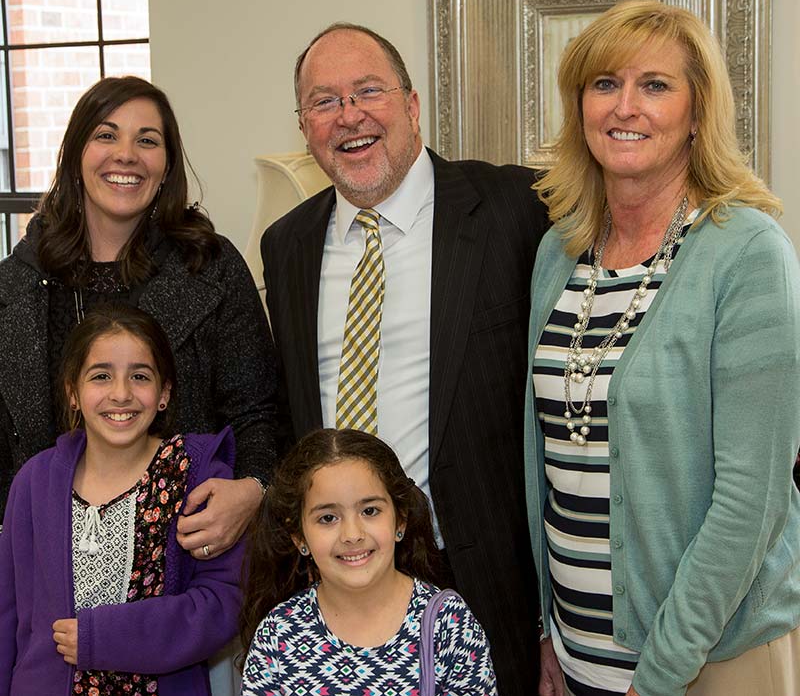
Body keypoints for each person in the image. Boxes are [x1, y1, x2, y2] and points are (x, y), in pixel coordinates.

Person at [261, 23, 548, 695]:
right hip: (341, 582)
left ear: (412, 106)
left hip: (483, 581)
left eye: (368, 91)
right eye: (324, 102)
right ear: (305, 126)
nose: (349, 115)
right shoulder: (287, 245)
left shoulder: (516, 209)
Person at [525, 0, 800, 696]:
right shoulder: (559, 254)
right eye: (604, 83)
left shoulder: (747, 252)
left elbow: (750, 498)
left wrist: (661, 673)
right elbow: (545, 458)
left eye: (655, 84)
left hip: (708, 659)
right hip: (579, 654)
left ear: (698, 112)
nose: (626, 106)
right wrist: (547, 630)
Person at [0, 76, 276, 560]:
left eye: (147, 140)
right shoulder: (15, 286)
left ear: (166, 165)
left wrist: (254, 488)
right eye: (106, 135)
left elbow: (260, 414)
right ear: (75, 155)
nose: (126, 154)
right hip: (45, 563)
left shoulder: (210, 269)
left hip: (185, 563)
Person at [0, 303, 243, 695]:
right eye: (101, 376)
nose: (121, 394)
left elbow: (221, 604)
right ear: (73, 393)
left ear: (164, 393)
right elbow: (6, 616)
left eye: (140, 376)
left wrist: (103, 638)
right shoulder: (34, 482)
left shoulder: (197, 476)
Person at [240, 427, 497, 694]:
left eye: (370, 511)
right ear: (299, 537)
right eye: (328, 518)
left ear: (400, 519)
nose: (352, 535)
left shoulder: (448, 624)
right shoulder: (278, 635)